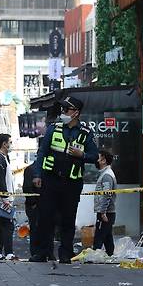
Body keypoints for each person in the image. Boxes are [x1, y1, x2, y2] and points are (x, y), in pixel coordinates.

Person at [29, 96, 99, 264]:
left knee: (68, 219)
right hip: (50, 180)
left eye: (66, 110)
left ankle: (65, 254)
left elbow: (95, 156)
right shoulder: (53, 129)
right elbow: (42, 153)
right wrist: (37, 175)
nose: (63, 113)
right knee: (46, 218)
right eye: (62, 109)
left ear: (76, 113)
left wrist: (81, 155)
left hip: (72, 184)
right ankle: (42, 252)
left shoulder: (85, 133)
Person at [0, 133, 18, 261]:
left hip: (0, 198)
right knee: (8, 225)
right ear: (4, 144)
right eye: (10, 142)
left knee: (1, 226)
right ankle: (9, 253)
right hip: (1, 199)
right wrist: (5, 199)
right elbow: (0, 180)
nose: (11, 145)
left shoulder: (2, 158)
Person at [93, 148, 117, 256]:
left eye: (98, 158)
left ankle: (93, 255)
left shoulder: (107, 175)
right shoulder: (105, 174)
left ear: (103, 160)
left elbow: (107, 194)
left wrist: (102, 212)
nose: (97, 160)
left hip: (106, 212)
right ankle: (110, 255)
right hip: (106, 212)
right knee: (107, 236)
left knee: (99, 236)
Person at [22, 160, 40, 257]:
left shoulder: (31, 169)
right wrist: (33, 203)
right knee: (35, 229)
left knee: (36, 229)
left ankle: (38, 252)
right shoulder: (31, 169)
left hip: (37, 205)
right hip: (34, 206)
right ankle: (36, 252)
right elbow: (27, 189)